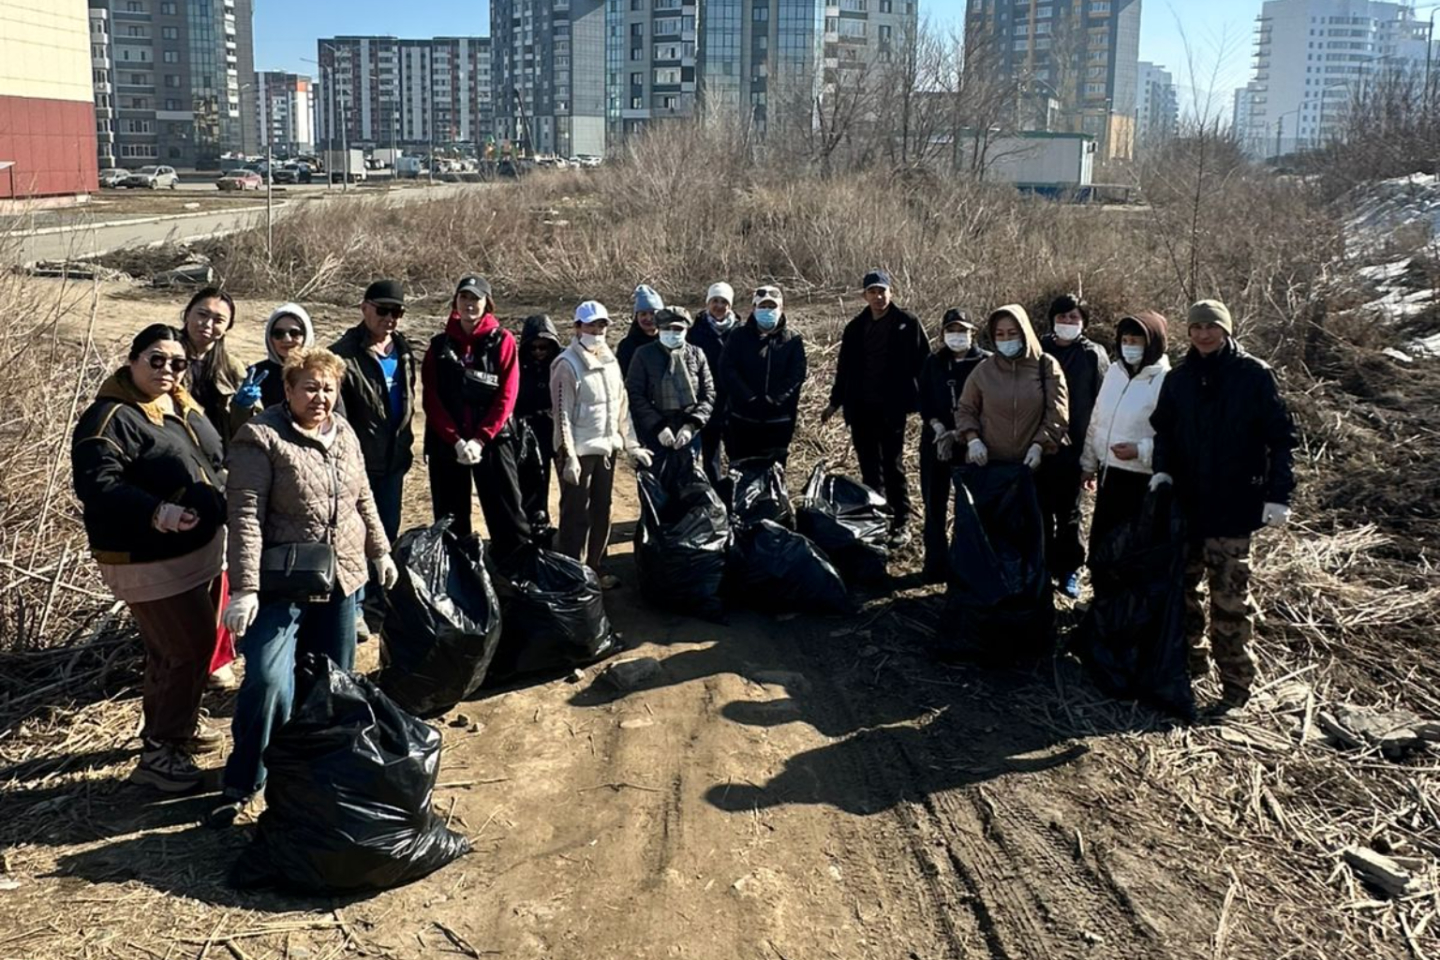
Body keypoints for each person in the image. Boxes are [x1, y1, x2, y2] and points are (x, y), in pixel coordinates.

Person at [216, 347, 396, 824]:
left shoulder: (345, 433)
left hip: (340, 580)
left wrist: (380, 551)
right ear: (289, 389)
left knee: (333, 682)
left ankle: (319, 769)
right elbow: (246, 517)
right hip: (280, 584)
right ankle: (244, 779)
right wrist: (245, 588)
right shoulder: (261, 438)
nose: (320, 398)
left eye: (329, 389)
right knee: (270, 680)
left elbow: (364, 497)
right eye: (310, 387)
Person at [72, 324, 227, 792]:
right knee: (188, 647)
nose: (166, 370)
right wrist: (157, 511)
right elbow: (97, 484)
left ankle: (175, 730)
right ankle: (161, 755)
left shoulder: (179, 403)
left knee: (171, 649)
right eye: (155, 360)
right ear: (133, 359)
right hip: (145, 558)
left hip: (191, 550)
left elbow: (213, 456)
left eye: (176, 363)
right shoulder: (110, 417)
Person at [1149, 300, 1296, 712]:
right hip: (1187, 505)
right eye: (1195, 327)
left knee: (1230, 601)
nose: (1203, 334)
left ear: (1226, 330)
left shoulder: (1253, 375)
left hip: (1234, 508)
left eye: (1211, 327)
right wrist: (1162, 471)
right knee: (1183, 594)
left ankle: (1235, 687)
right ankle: (1188, 667)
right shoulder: (1178, 379)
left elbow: (1282, 439)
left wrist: (1279, 495)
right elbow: (1164, 432)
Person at [421, 275, 532, 558]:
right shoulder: (438, 346)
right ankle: (458, 580)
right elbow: (431, 399)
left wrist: (481, 439)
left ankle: (515, 575)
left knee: (507, 515)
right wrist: (455, 440)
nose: (470, 304)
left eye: (476, 299)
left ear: (487, 304)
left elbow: (507, 395)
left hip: (493, 442)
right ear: (456, 302)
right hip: (448, 445)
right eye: (464, 297)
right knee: (450, 519)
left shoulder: (503, 341)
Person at [820, 270, 930, 548]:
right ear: (864, 295)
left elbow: (926, 365)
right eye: (872, 292)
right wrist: (834, 403)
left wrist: (928, 401)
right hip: (861, 408)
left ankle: (902, 520)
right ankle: (877, 518)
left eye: (882, 291)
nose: (878, 297)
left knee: (893, 465)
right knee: (869, 467)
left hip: (892, 408)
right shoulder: (855, 327)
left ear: (891, 292)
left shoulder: (907, 323)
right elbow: (843, 370)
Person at [331, 279, 416, 631]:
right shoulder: (343, 355)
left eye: (396, 312)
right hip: (360, 463)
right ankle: (357, 607)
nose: (390, 318)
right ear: (364, 308)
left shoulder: (404, 350)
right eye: (382, 310)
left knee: (387, 529)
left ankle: (382, 598)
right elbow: (337, 417)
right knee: (356, 533)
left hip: (395, 460)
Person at [552, 301, 653, 588]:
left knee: (602, 510)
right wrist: (568, 454)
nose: (597, 330)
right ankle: (573, 574)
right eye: (591, 324)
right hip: (579, 454)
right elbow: (562, 415)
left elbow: (621, 406)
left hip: (606, 451)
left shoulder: (610, 360)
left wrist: (631, 444)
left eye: (602, 325)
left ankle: (595, 567)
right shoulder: (566, 364)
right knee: (575, 515)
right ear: (577, 327)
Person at [1039, 294, 1110, 599]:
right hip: (1040, 444)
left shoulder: (1093, 355)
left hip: (1077, 448)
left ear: (1084, 323)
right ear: (1052, 319)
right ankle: (1042, 565)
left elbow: (1103, 406)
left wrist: (1092, 457)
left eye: (1074, 318)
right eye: (1062, 317)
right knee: (1039, 508)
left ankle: (1070, 569)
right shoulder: (1039, 349)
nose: (1067, 323)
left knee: (1070, 512)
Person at [1080, 311, 1171, 547]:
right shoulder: (1114, 372)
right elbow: (1098, 418)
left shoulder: (1167, 381)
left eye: (1136, 342)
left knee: (1133, 550)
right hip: (1108, 473)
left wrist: (1141, 450)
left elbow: (1175, 436)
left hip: (1142, 478)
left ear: (1152, 343)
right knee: (1103, 546)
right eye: (1125, 341)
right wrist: (1088, 464)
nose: (1129, 347)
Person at [917, 309, 990, 582]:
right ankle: (935, 564)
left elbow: (991, 406)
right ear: (943, 333)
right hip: (936, 441)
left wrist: (963, 434)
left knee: (969, 506)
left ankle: (966, 563)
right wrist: (936, 426)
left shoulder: (986, 364)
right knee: (933, 503)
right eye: (952, 330)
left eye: (963, 331)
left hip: (972, 442)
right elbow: (923, 399)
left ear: (973, 333)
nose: (957, 336)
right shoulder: (933, 362)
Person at [954, 304, 1069, 471]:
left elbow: (1057, 413)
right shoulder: (984, 370)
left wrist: (1039, 444)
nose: (1006, 339)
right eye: (1000, 334)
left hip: (1034, 466)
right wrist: (973, 439)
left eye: (1012, 333)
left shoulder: (1046, 365)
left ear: (1024, 333)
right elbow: (965, 409)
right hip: (990, 466)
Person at [718, 284, 807, 468]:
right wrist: (747, 395)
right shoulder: (738, 336)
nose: (767, 311)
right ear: (754, 308)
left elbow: (797, 374)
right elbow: (727, 368)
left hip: (779, 420)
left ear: (781, 309)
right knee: (742, 471)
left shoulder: (792, 340)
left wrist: (774, 398)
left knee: (774, 473)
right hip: (742, 419)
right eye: (763, 306)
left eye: (772, 306)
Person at [626, 306, 715, 469]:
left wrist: (691, 425)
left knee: (689, 487)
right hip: (653, 433)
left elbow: (708, 394)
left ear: (686, 330)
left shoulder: (697, 354)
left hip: (689, 433)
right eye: (667, 328)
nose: (672, 332)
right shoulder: (644, 354)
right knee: (656, 486)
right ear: (658, 329)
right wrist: (658, 427)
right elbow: (634, 393)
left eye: (678, 329)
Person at [179, 287, 250, 447]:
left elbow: (246, 428)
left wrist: (244, 407)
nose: (208, 324)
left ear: (227, 327)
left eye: (219, 320)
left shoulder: (231, 367)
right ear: (187, 315)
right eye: (202, 314)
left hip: (217, 453)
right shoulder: (164, 358)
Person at [689, 281, 739, 484]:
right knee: (710, 456)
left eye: (724, 302)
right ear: (708, 303)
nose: (719, 306)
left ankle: (737, 498)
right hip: (707, 401)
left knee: (737, 454)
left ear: (730, 305)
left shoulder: (740, 331)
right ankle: (715, 497)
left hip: (734, 402)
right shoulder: (694, 332)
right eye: (714, 301)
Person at [516, 314, 562, 533]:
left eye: (543, 347)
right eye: (533, 348)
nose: (538, 352)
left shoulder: (562, 363)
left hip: (560, 432)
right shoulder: (517, 366)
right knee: (534, 488)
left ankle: (571, 536)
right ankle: (537, 532)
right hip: (530, 435)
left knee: (572, 488)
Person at [616, 284, 664, 376]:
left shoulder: (669, 341)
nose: (649, 318)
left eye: (652, 313)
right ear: (636, 317)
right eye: (643, 314)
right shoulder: (627, 345)